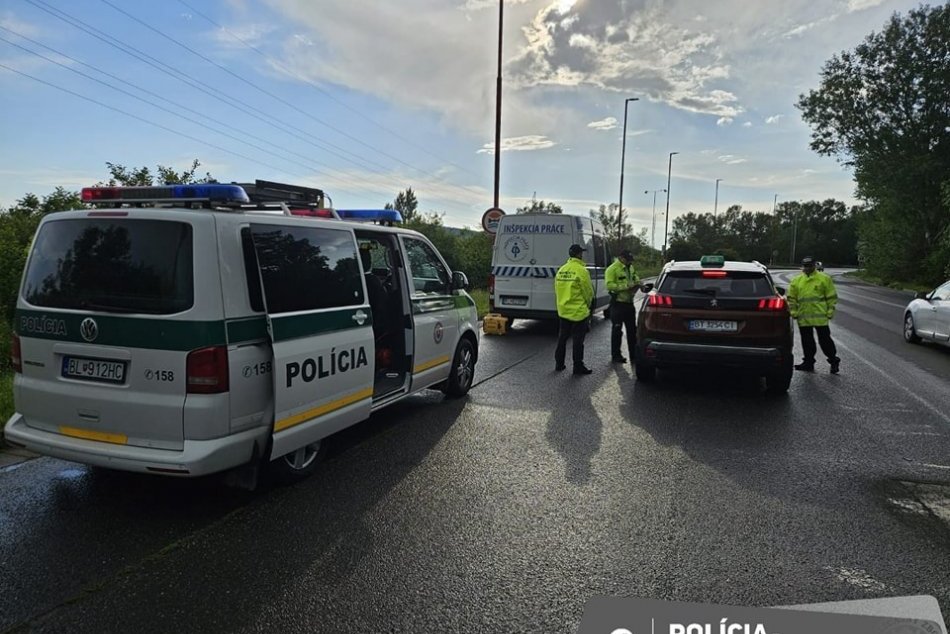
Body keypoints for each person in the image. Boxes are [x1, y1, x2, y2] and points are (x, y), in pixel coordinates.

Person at [788, 256, 841, 373]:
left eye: (810, 266)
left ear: (814, 266)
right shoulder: (797, 281)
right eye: (805, 266)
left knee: (825, 341)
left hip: (820, 316)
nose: (807, 268)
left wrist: (830, 311)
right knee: (807, 342)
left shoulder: (824, 279)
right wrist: (794, 312)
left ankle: (833, 360)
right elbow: (792, 298)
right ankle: (808, 362)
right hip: (804, 316)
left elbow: (831, 297)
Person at [554, 243, 594, 375]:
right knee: (578, 341)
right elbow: (588, 292)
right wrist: (588, 306)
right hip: (579, 312)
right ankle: (578, 366)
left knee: (562, 339)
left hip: (563, 310)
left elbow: (557, 289)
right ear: (579, 254)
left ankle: (559, 364)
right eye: (581, 253)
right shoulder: (581, 270)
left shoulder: (562, 269)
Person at [604, 248, 641, 364]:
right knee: (616, 330)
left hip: (629, 304)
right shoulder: (612, 269)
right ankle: (616, 355)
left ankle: (634, 355)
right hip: (618, 304)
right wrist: (626, 286)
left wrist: (638, 284)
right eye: (628, 260)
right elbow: (610, 285)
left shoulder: (630, 267)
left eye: (631, 260)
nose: (630, 262)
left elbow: (635, 277)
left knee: (632, 331)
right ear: (621, 258)